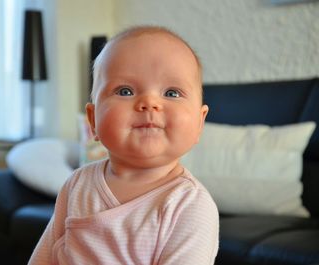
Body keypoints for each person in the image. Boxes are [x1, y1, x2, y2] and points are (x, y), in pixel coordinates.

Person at [28, 25, 219, 265]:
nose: (149, 103)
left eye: (171, 93)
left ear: (199, 123)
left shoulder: (190, 205)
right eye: (125, 90)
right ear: (93, 120)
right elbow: (44, 256)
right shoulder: (77, 185)